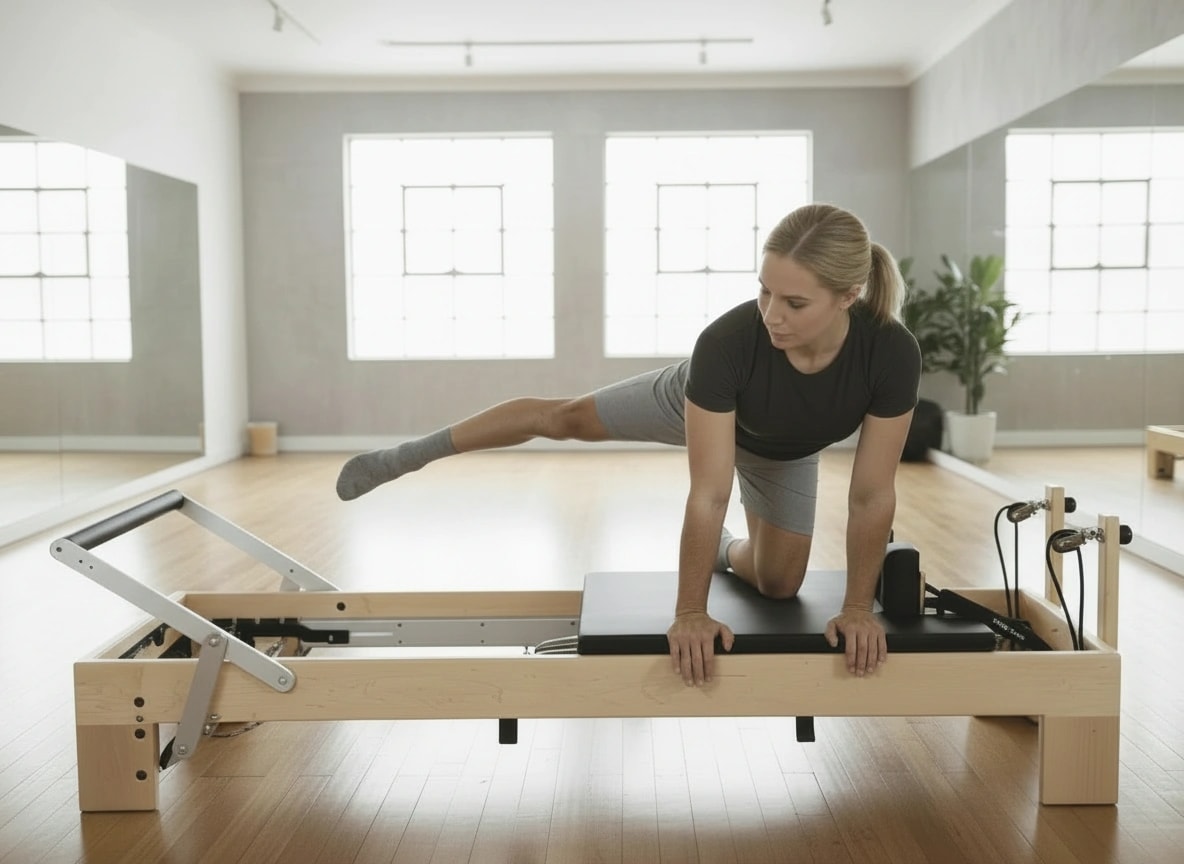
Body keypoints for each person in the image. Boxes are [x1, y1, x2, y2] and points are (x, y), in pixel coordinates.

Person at [336, 202, 921, 687]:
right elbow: (708, 491)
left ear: (847, 296)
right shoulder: (729, 342)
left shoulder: (890, 354)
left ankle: (725, 551)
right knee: (563, 418)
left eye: (795, 303)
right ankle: (406, 455)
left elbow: (872, 496)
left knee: (778, 584)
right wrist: (690, 613)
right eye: (764, 291)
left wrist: (856, 610)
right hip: (697, 404)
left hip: (787, 450)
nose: (771, 314)